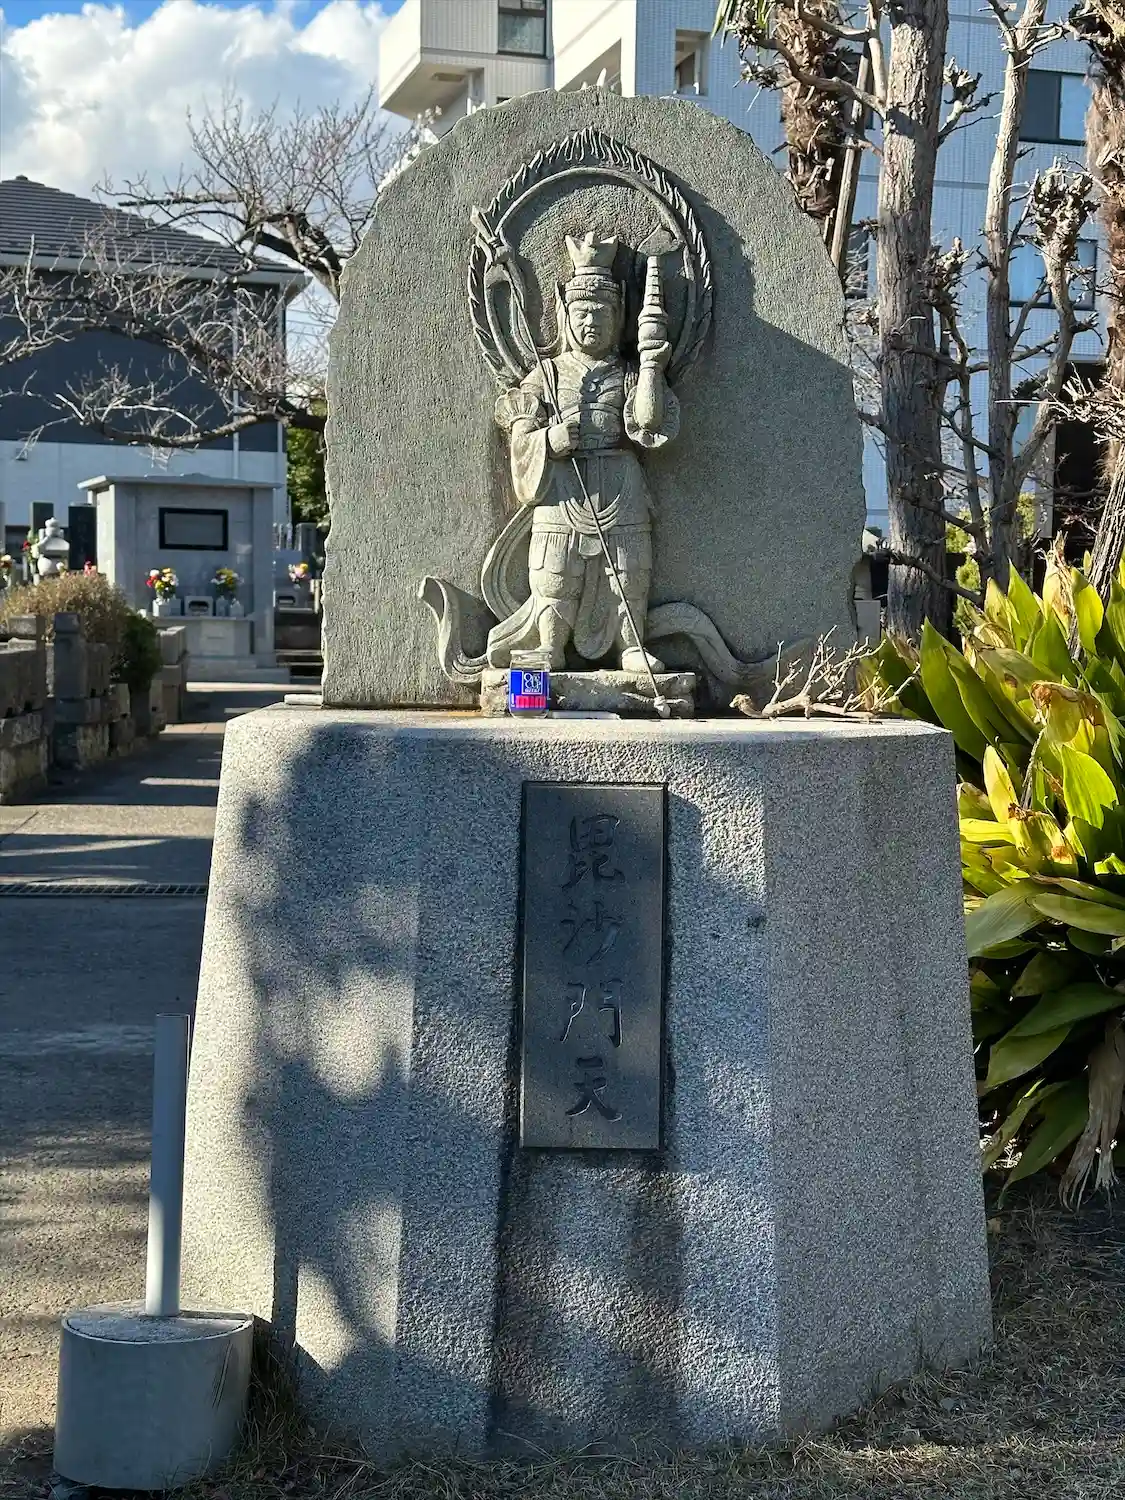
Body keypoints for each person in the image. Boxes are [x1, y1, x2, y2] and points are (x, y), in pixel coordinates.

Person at [487, 232, 679, 673]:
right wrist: (548, 440)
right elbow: (520, 427)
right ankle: (550, 644)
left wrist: (651, 366)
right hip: (562, 485)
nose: (591, 321)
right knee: (555, 568)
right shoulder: (548, 374)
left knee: (628, 571)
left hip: (620, 482)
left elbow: (649, 424)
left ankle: (631, 645)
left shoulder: (627, 373)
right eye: (581, 312)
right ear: (565, 316)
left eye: (601, 312)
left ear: (619, 317)